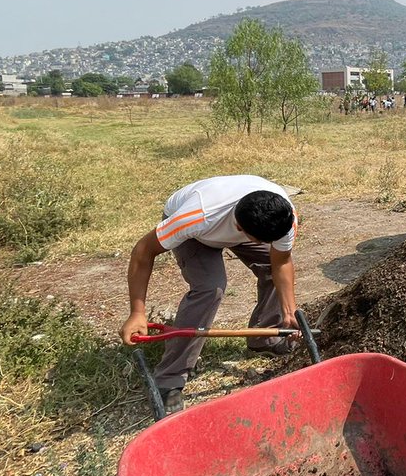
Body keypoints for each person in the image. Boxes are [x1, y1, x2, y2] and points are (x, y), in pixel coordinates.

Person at [120, 175, 300, 414]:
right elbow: (143, 252)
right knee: (210, 287)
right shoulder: (195, 217)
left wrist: (289, 312)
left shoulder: (283, 219)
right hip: (198, 235)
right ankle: (169, 379)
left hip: (240, 222)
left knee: (270, 268)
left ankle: (264, 337)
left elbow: (281, 263)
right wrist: (137, 312)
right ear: (239, 228)